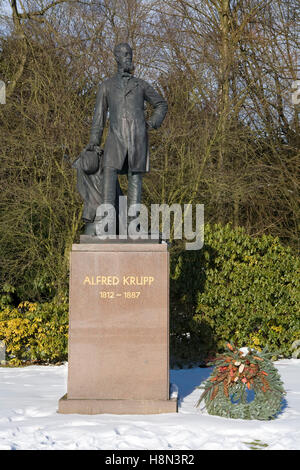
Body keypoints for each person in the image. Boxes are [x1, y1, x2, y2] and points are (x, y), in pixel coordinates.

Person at [84, 42, 168, 235]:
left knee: (135, 177)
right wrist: (94, 141)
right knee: (109, 172)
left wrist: (150, 124)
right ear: (116, 58)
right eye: (124, 54)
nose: (128, 57)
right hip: (115, 137)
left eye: (130, 54)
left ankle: (133, 224)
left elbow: (161, 104)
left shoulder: (141, 85)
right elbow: (98, 116)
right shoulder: (106, 86)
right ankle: (106, 220)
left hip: (137, 138)